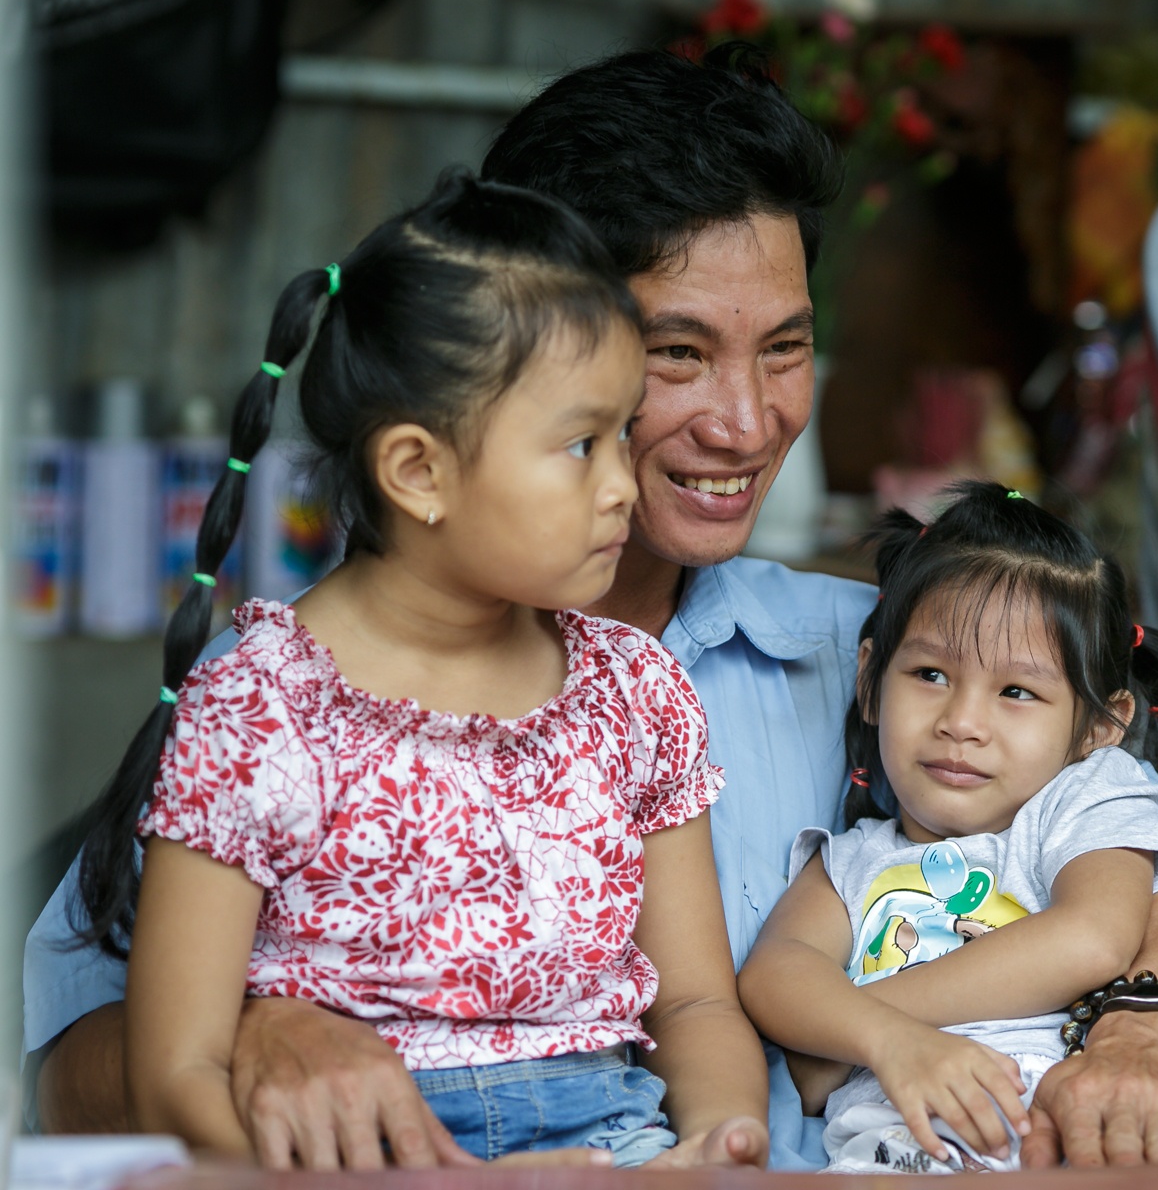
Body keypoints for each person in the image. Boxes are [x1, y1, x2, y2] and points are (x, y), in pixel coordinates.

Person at [26, 45, 1158, 1170]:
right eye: (675, 356)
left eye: (784, 347)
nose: (745, 420)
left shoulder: (888, 656)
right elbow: (59, 1074)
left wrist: (1145, 1024)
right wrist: (263, 1029)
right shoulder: (277, 704)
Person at [73, 171, 768, 1168]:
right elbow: (176, 1072)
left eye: (623, 432)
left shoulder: (634, 693)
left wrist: (716, 1137)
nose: (623, 484)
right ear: (418, 471)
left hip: (613, 1145)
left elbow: (696, 996)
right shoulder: (262, 706)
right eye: (580, 444)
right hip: (363, 1159)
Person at [740, 483, 1158, 1173]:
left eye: (1017, 692)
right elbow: (776, 975)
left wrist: (865, 1027)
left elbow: (1093, 937)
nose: (962, 721)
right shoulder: (849, 863)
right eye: (928, 673)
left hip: (1105, 1135)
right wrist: (893, 1046)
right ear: (870, 684)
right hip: (906, 1153)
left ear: (1100, 727)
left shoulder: (1085, 803)